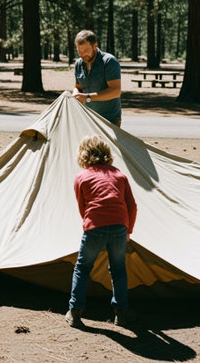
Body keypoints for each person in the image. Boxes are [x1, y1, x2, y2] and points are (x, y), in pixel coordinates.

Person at [66, 135, 137, 328]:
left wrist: (90, 223)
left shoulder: (81, 177)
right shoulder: (120, 175)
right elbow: (132, 206)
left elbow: (83, 207)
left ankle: (75, 312)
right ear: (107, 153)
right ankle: (121, 313)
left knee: (82, 268)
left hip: (94, 227)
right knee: (118, 269)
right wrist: (128, 230)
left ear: (83, 155)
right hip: (119, 226)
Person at [72, 30, 122, 126]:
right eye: (79, 51)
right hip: (86, 118)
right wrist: (75, 93)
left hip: (109, 120)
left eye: (86, 50)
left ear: (95, 45)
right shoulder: (78, 64)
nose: (82, 54)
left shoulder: (109, 62)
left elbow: (115, 91)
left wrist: (87, 97)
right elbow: (78, 87)